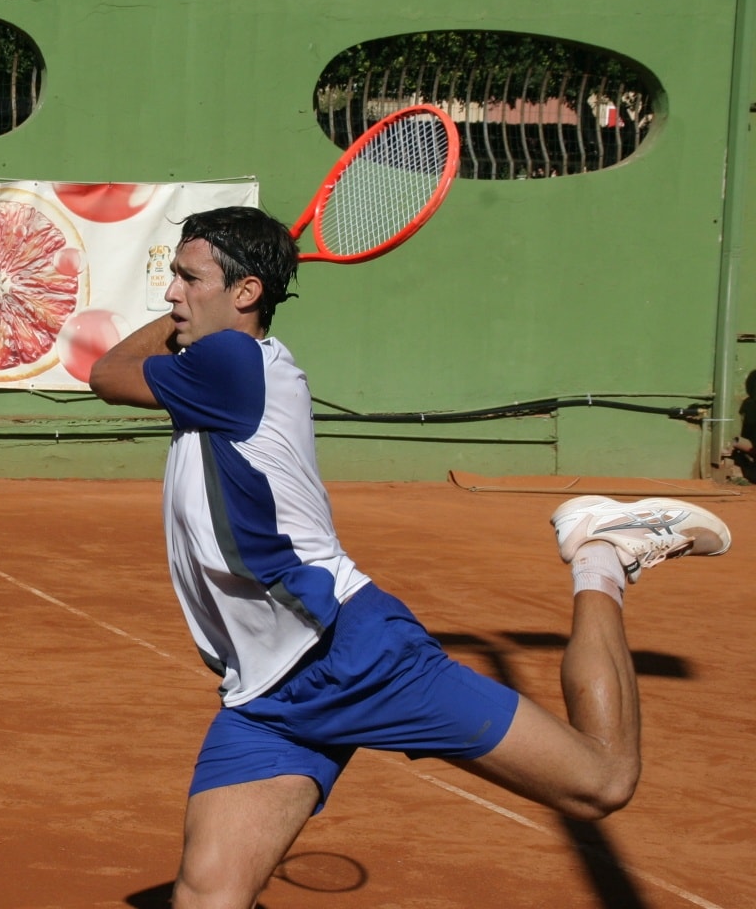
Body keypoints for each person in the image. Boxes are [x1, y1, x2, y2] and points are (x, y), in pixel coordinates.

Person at [87, 205, 732, 909]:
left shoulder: (230, 360)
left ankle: (601, 556)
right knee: (207, 895)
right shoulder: (221, 368)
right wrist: (200, 305)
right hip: (266, 691)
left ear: (246, 293)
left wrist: (184, 321)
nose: (172, 293)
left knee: (601, 782)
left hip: (349, 652)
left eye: (188, 278)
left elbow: (109, 373)